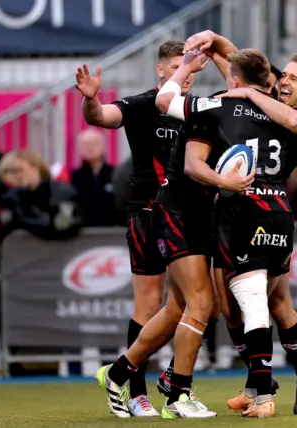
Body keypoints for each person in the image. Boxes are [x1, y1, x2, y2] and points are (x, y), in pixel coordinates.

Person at [182, 31, 297, 415]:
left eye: (293, 79)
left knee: (268, 305)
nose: (284, 81)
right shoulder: (271, 98)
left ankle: (290, 387)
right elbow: (245, 69)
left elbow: (255, 93)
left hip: (265, 213)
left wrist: (248, 93)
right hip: (236, 213)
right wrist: (217, 43)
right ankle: (257, 380)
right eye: (282, 77)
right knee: (234, 306)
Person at [75, 40, 204, 417]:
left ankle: (177, 386)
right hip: (148, 213)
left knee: (195, 304)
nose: (190, 71)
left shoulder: (198, 108)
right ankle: (137, 392)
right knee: (151, 303)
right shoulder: (142, 104)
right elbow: (100, 117)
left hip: (189, 215)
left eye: (195, 65)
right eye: (182, 64)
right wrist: (90, 100)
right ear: (162, 71)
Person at [70, 128, 116, 227]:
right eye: (85, 144)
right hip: (82, 232)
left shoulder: (114, 174)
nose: (90, 147)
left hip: (113, 231)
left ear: (103, 146)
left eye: (94, 143)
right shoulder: (73, 177)